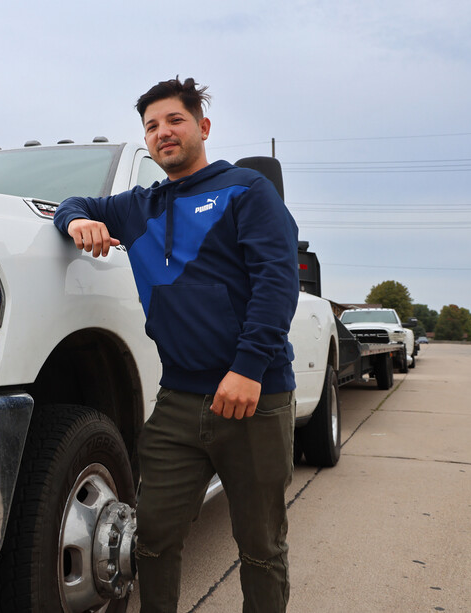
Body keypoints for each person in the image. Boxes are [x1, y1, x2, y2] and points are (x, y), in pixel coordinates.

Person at [53, 77, 299, 612]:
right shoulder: (139, 207)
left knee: (260, 548)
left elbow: (278, 283)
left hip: (252, 396)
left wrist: (249, 367)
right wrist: (79, 223)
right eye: (152, 126)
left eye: (174, 120)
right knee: (154, 541)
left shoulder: (247, 192)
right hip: (179, 402)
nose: (163, 132)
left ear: (202, 127)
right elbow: (70, 203)